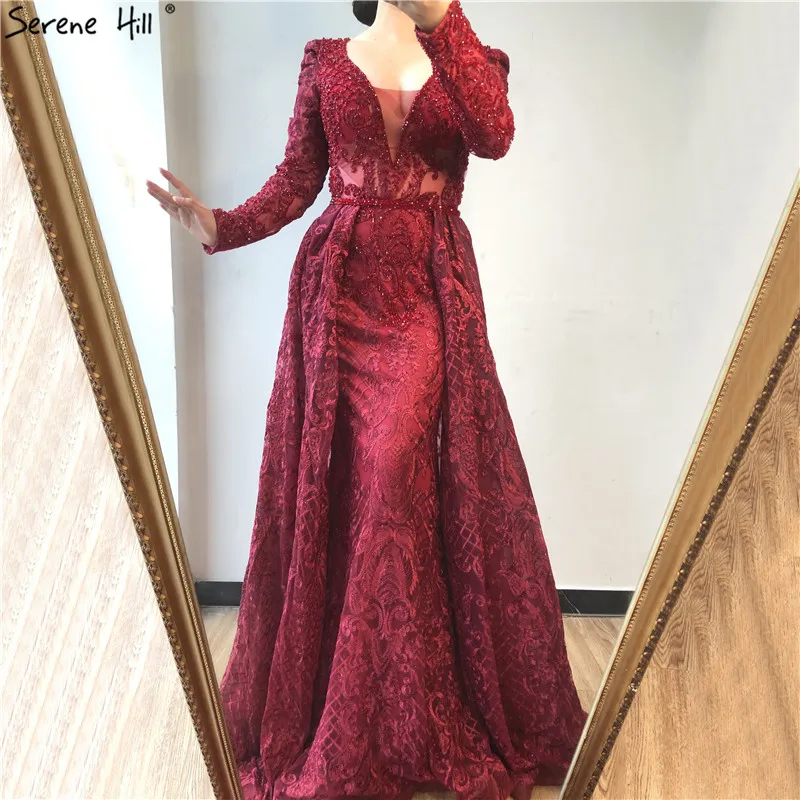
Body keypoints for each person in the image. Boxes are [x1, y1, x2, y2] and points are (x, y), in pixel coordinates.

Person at [146, 2, 588, 798]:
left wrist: (442, 17)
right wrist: (217, 224)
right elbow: (297, 182)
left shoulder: (476, 56)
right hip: (338, 291)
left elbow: (494, 136)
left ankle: (411, 719)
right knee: (351, 492)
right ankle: (361, 716)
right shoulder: (324, 59)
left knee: (391, 474)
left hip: (428, 291)